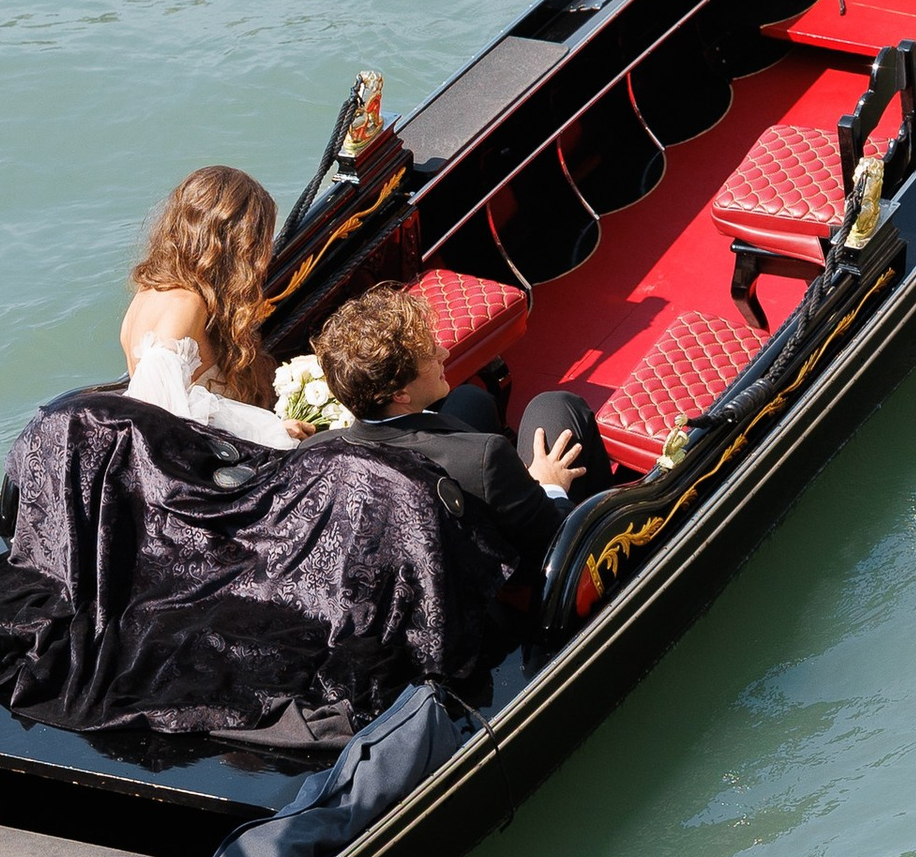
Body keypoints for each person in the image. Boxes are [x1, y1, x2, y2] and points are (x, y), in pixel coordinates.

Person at [314, 283, 613, 572]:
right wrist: (550, 484)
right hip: (514, 567)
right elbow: (552, 539)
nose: (443, 352)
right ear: (400, 395)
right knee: (556, 406)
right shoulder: (484, 458)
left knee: (469, 399)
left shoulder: (316, 450)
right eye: (430, 354)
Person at [120, 164, 296, 449]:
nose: (265, 259)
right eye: (260, 243)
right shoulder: (186, 305)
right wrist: (272, 431)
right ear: (235, 243)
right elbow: (167, 427)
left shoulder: (146, 293)